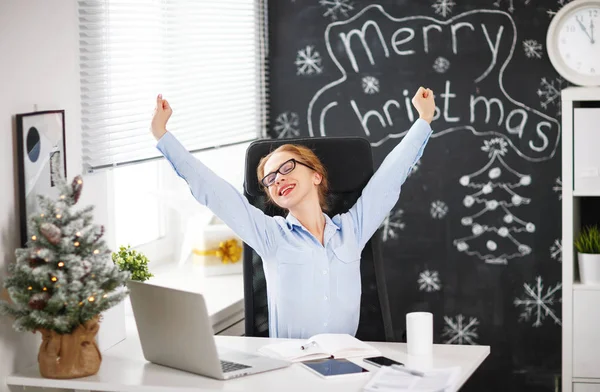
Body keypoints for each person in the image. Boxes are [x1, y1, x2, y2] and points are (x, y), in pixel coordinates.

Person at [151, 87, 436, 339]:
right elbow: (214, 192)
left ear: (316, 176)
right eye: (270, 179)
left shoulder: (353, 230)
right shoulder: (270, 236)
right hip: (292, 371)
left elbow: (390, 177)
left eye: (287, 167)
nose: (278, 179)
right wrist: (163, 136)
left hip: (348, 368)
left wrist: (423, 121)